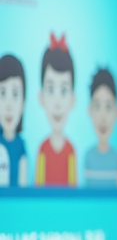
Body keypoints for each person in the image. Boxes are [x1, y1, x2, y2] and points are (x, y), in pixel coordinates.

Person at [35, 34, 76, 187]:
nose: (57, 102)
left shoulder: (71, 151)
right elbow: (37, 189)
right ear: (41, 97)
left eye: (64, 90)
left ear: (72, 99)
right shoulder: (43, 150)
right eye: (50, 89)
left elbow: (73, 189)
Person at [84, 68, 117, 188]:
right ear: (89, 111)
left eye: (108, 107)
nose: (103, 117)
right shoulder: (88, 157)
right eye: (97, 106)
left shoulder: (116, 158)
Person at [0, 53, 28, 187]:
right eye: (2, 93)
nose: (9, 105)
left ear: (23, 102)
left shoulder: (21, 146)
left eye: (15, 94)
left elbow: (22, 186)